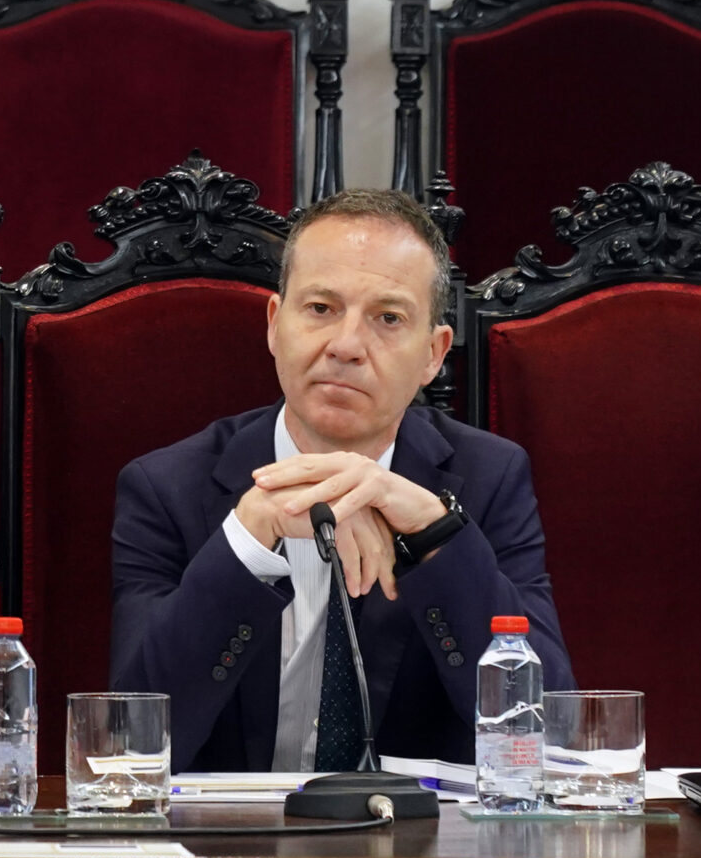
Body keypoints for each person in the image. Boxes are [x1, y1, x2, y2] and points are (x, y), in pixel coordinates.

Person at [109, 188, 573, 771]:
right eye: (321, 309)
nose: (347, 346)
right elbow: (131, 742)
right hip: (232, 850)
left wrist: (435, 537)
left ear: (434, 354)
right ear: (276, 325)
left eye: (388, 318)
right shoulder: (167, 487)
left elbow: (549, 726)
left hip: (417, 849)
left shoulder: (487, 480)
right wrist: (250, 537)